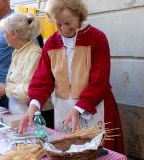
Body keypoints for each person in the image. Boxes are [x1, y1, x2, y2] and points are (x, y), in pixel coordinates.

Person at [19, 0, 125, 154]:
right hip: (64, 109)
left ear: (78, 15)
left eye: (68, 23)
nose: (63, 29)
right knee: (69, 153)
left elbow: (99, 80)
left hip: (95, 107)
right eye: (58, 24)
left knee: (98, 153)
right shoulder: (51, 44)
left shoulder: (97, 38)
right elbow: (42, 80)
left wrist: (78, 108)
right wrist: (33, 107)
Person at [0, 12, 54, 128]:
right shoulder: (17, 52)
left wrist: (6, 89)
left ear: (13, 34)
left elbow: (31, 90)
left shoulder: (34, 54)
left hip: (38, 116)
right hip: (22, 114)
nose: (3, 36)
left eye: (4, 33)